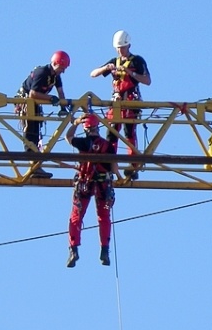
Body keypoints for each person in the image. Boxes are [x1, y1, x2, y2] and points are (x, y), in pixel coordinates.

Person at [89, 30, 151, 180]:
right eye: (117, 48)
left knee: (129, 134)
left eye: (121, 47)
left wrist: (130, 72)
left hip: (131, 101)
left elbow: (147, 81)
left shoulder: (137, 61)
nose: (119, 50)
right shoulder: (114, 61)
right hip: (116, 103)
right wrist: (106, 68)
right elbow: (93, 73)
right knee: (111, 134)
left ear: (128, 45)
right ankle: (110, 164)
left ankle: (132, 166)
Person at [65, 112, 121, 268]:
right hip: (103, 186)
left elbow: (68, 137)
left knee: (76, 216)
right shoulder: (108, 146)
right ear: (98, 127)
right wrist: (120, 178)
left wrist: (75, 123)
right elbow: (114, 167)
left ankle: (73, 250)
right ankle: (104, 251)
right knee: (104, 217)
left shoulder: (83, 143)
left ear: (86, 128)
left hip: (85, 183)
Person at [16, 51, 71, 178]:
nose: (63, 71)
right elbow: (32, 94)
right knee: (31, 129)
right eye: (62, 68)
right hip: (26, 101)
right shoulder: (42, 72)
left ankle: (36, 163)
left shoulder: (56, 77)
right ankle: (33, 160)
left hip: (35, 102)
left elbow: (61, 93)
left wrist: (64, 106)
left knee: (37, 130)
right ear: (55, 63)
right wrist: (51, 98)